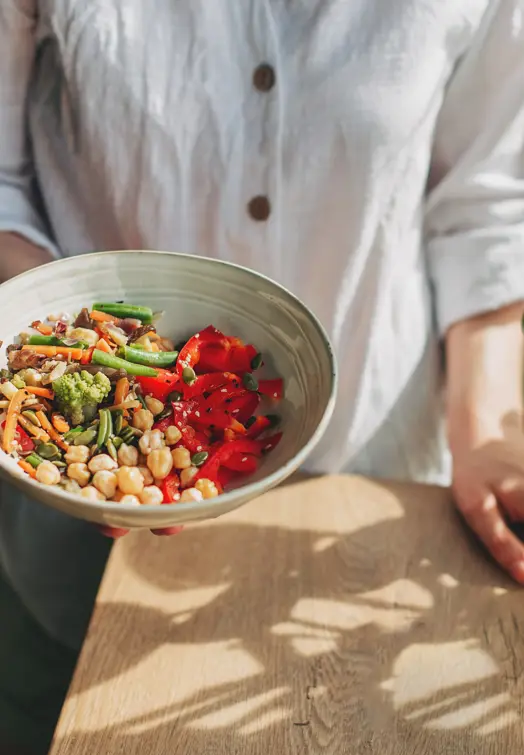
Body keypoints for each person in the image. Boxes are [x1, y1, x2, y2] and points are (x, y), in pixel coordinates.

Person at [1, 0, 524, 652]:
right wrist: (60, 341)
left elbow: (483, 207)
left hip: (375, 464)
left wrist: (486, 429)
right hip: (73, 519)